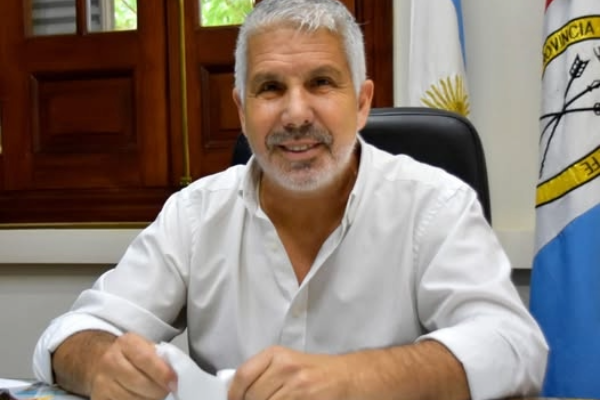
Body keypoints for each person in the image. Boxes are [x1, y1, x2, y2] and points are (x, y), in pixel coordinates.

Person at [33, 0, 548, 399]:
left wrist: (356, 379)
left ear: (362, 102)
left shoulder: (435, 204)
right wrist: (100, 365)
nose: (296, 114)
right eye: (271, 88)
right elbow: (72, 333)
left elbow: (513, 345)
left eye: (321, 82)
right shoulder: (194, 214)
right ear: (242, 109)